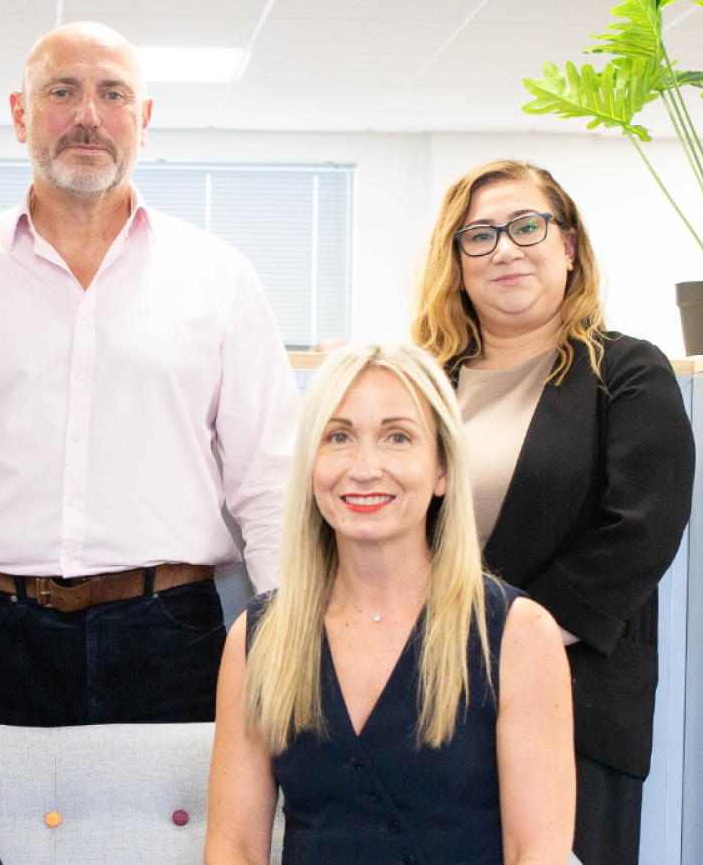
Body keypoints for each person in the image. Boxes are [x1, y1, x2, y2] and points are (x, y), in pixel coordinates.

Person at [0, 21, 300, 726]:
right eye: (63, 91)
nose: (88, 115)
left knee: (174, 839)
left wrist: (287, 639)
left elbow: (271, 482)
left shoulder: (219, 278)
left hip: (173, 636)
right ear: (21, 113)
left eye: (113, 94)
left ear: (142, 121)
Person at [411, 160, 695, 865]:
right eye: (478, 236)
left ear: (568, 246)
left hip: (575, 701)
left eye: (526, 226)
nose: (504, 249)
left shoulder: (626, 371)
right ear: (457, 262)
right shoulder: (423, 381)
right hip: (428, 688)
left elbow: (641, 528)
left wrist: (514, 640)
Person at [205, 344, 575, 865]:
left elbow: (536, 853)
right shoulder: (258, 639)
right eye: (338, 437)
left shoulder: (519, 636)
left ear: (443, 469)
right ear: (310, 467)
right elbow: (234, 848)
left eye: (397, 437)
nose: (364, 467)